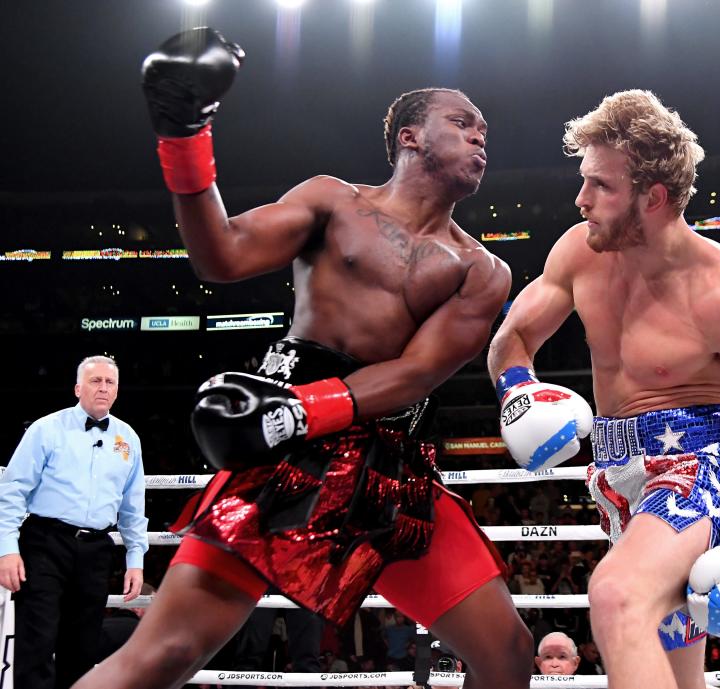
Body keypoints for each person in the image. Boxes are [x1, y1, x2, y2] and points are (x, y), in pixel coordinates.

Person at [74, 28, 531, 689]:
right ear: (409, 136)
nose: (480, 137)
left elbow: (418, 372)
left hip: (385, 470)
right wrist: (185, 136)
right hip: (283, 459)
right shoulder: (332, 200)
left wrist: (301, 410)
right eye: (462, 123)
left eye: (484, 129)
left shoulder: (482, 269)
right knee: (164, 653)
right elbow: (222, 254)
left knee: (507, 653)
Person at [487, 89, 720, 689]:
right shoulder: (580, 252)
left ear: (654, 198)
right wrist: (519, 390)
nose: (581, 199)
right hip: (616, 479)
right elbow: (512, 339)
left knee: (616, 597)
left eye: (601, 187)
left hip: (697, 471)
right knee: (670, 661)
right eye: (584, 181)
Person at [0, 356, 147, 689]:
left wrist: (135, 560)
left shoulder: (128, 439)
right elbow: (12, 491)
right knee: (35, 642)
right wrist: (7, 549)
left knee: (82, 649)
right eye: (95, 381)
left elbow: (133, 506)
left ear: (117, 390)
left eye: (110, 382)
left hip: (96, 550)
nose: (103, 388)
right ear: (78, 387)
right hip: (44, 544)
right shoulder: (46, 429)